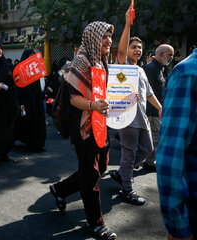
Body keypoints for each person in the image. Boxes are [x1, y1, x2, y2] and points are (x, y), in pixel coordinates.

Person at [49, 21, 116, 240]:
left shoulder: (101, 61)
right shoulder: (79, 63)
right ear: (93, 37)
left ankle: (60, 189)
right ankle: (96, 223)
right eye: (104, 36)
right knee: (90, 177)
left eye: (110, 37)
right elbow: (73, 98)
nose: (108, 41)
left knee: (101, 167)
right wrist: (93, 106)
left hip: (100, 124)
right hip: (84, 128)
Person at [109, 7, 162, 205]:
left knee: (147, 149)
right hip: (126, 118)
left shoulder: (140, 70)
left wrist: (159, 108)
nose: (137, 50)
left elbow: (149, 93)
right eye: (134, 47)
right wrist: (127, 24)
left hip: (142, 118)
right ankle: (127, 188)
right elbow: (121, 49)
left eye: (139, 47)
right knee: (129, 154)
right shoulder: (122, 65)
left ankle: (123, 172)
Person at [156, 48, 197, 240]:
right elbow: (170, 160)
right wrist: (178, 229)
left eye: (173, 55)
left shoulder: (167, 70)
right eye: (168, 54)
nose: (171, 57)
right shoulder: (187, 73)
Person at [142, 44, 174, 171]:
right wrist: (148, 114)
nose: (172, 57)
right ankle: (149, 162)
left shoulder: (161, 68)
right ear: (161, 54)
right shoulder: (150, 68)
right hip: (153, 112)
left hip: (159, 110)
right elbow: (148, 92)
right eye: (170, 54)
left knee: (156, 138)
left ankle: (150, 161)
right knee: (155, 138)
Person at [14, 49, 46, 150]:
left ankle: (37, 142)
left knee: (37, 120)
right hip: (26, 100)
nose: (31, 58)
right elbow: (18, 87)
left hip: (36, 100)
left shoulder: (36, 69)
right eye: (29, 56)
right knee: (27, 120)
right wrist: (20, 102)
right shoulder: (20, 70)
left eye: (33, 56)